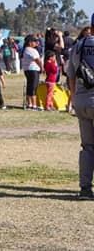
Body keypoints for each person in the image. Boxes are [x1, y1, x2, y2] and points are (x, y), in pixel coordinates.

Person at [65, 25, 94, 199]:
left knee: (87, 147)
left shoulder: (78, 46)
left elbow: (71, 75)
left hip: (82, 101)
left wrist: (74, 98)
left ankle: (85, 188)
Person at [22, 36, 43, 111]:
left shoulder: (26, 49)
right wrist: (42, 68)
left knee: (29, 87)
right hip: (33, 70)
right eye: (34, 41)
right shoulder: (31, 50)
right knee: (34, 87)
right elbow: (37, 60)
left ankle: (29, 104)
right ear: (30, 43)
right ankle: (34, 105)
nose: (36, 43)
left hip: (28, 70)